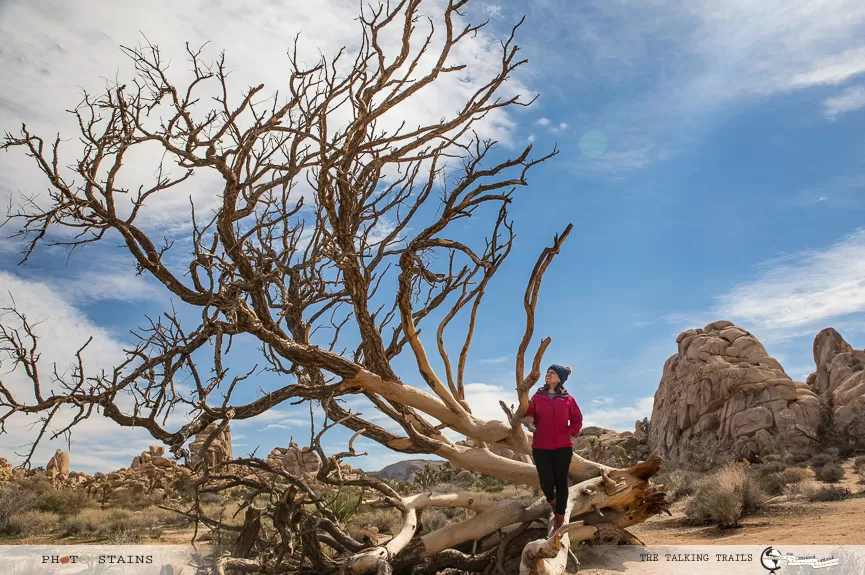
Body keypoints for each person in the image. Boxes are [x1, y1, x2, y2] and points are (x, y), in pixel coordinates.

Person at [522, 364, 583, 530]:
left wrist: (568, 432)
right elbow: (531, 412)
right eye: (548, 372)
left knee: (561, 481)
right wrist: (529, 418)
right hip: (541, 445)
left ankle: (560, 517)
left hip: (563, 446)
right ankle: (551, 499)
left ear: (559, 379)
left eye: (552, 373)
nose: (548, 374)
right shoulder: (538, 396)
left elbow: (577, 419)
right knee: (546, 480)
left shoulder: (568, 399)